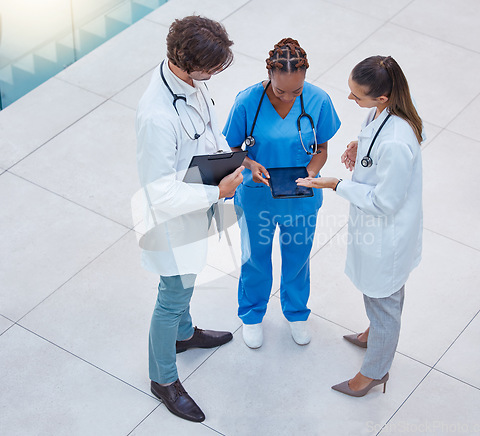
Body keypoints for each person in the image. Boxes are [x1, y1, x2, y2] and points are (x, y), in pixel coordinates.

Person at [135, 16, 243, 422]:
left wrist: (231, 158)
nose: (214, 74)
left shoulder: (186, 82)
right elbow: (159, 191)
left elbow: (204, 132)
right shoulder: (156, 116)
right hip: (174, 219)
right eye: (211, 68)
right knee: (173, 295)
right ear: (186, 62)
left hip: (198, 202)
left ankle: (184, 334)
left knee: (188, 280)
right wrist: (219, 191)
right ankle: (162, 378)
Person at [297, 55, 423, 396]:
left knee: (384, 301)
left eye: (358, 96)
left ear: (382, 96)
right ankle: (375, 334)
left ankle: (374, 372)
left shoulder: (397, 140)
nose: (352, 100)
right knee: (379, 295)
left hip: (388, 234)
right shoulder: (382, 112)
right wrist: (360, 145)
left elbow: (385, 202)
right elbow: (373, 140)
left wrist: (336, 184)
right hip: (377, 230)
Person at [223, 38, 341, 349]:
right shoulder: (247, 101)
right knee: (255, 258)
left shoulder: (319, 100)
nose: (288, 97)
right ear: (269, 75)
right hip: (256, 193)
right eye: (280, 91)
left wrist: (312, 173)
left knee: (298, 258)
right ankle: (251, 315)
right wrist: (250, 161)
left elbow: (323, 147)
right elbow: (233, 147)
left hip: (302, 195)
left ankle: (296, 313)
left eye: (296, 91)